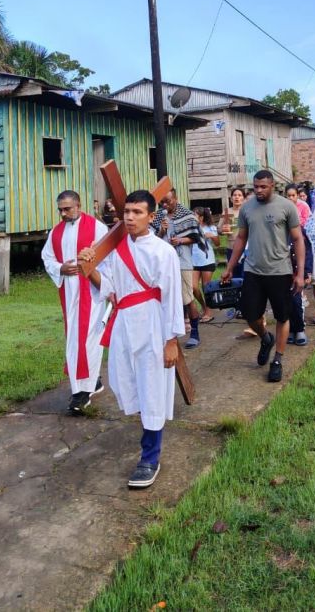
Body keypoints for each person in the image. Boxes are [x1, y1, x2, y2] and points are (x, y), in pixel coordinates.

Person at [78, 190, 183, 489]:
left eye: (137, 212)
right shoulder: (117, 249)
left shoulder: (164, 252)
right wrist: (90, 267)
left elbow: (172, 298)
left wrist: (171, 340)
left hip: (151, 322)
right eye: (126, 211)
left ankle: (150, 456)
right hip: (124, 322)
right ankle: (148, 435)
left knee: (152, 387)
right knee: (125, 382)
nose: (130, 217)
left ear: (152, 217)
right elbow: (108, 286)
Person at [221, 170, 304, 383]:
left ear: (272, 185)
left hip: (280, 271)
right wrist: (230, 266)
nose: (258, 190)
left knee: (282, 316)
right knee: (250, 315)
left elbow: (298, 239)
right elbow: (241, 238)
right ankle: (266, 338)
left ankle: (277, 360)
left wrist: (300, 273)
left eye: (263, 187)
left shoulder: (286, 206)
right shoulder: (247, 208)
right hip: (253, 270)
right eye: (256, 186)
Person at [41, 190, 109, 414]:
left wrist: (100, 279)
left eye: (67, 208)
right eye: (60, 209)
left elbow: (109, 256)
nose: (63, 213)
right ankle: (93, 382)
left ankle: (81, 394)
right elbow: (47, 257)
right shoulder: (56, 232)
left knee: (88, 339)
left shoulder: (96, 227)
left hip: (91, 291)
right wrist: (60, 268)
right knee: (74, 339)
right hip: (69, 293)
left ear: (78, 205)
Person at [152, 189, 204, 349]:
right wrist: (161, 229)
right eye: (162, 202)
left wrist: (181, 240)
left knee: (187, 297)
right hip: (164, 263)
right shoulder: (159, 215)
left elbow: (197, 237)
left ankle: (195, 332)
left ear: (176, 198)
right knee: (164, 297)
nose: (165, 205)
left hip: (182, 261)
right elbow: (153, 239)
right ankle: (169, 333)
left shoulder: (187, 215)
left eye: (168, 201)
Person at [192, 207, 219, 322]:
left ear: (201, 217)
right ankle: (203, 306)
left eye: (195, 215)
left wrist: (212, 236)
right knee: (193, 287)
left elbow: (217, 244)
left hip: (207, 261)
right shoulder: (190, 229)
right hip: (193, 261)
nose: (192, 217)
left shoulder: (211, 227)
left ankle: (208, 312)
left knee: (206, 287)